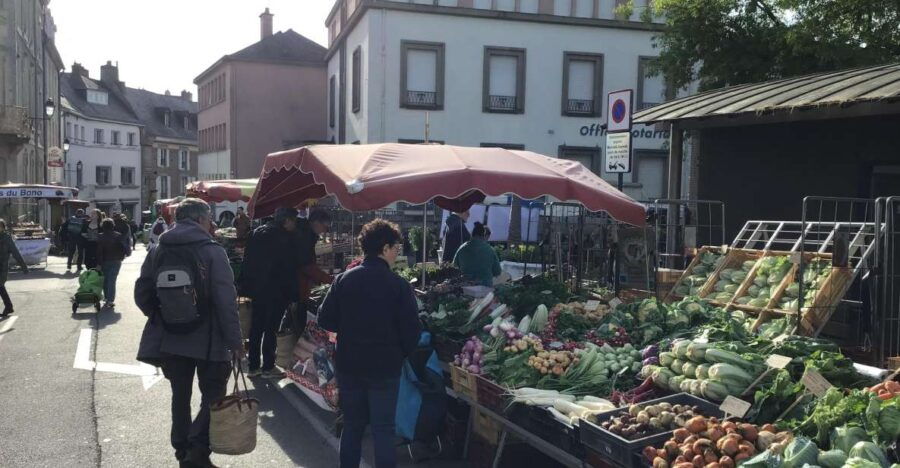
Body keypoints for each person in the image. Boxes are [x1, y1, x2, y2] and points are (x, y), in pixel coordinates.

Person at [135, 198, 243, 468]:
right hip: (209, 338)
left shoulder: (159, 248)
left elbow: (142, 292)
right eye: (209, 219)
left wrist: (163, 315)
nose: (212, 224)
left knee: (179, 394)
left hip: (171, 336)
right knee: (213, 393)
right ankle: (197, 446)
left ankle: (181, 447)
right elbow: (225, 301)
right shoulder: (212, 251)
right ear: (200, 220)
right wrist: (236, 341)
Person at [318, 219, 421, 468]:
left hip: (350, 364)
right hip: (385, 367)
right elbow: (412, 332)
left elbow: (325, 319)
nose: (398, 252)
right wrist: (399, 354)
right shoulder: (398, 286)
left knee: (352, 425)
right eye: (396, 247)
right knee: (383, 429)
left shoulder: (344, 280)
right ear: (384, 248)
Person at [240, 207, 300, 378]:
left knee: (256, 327)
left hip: (257, 289)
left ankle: (253, 366)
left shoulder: (256, 233)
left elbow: (247, 261)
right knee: (271, 327)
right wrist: (293, 294)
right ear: (286, 220)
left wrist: (245, 287)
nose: (294, 225)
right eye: (293, 221)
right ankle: (268, 366)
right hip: (276, 290)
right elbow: (288, 269)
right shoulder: (284, 238)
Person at [293, 209, 333, 325]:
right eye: (325, 226)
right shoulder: (304, 236)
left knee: (292, 323)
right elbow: (306, 266)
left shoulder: (305, 233)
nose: (326, 230)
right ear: (316, 223)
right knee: (296, 324)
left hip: (298, 287)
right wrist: (329, 279)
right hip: (297, 287)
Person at [453, 222, 501, 287]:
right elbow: (497, 271)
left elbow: (454, 266)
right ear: (483, 235)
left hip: (466, 287)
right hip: (485, 287)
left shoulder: (461, 248)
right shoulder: (490, 250)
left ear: (472, 234)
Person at [97, 218, 128, 308]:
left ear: (103, 226)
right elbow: (123, 248)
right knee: (112, 280)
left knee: (105, 280)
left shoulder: (100, 236)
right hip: (116, 260)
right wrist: (122, 257)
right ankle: (110, 300)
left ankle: (107, 298)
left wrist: (99, 263)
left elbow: (99, 251)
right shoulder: (118, 235)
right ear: (113, 225)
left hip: (105, 260)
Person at [0, 219, 27, 316]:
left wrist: (23, 266)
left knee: (0, 286)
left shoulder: (7, 239)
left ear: (3, 228)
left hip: (2, 267)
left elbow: (15, 252)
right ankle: (9, 306)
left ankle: (8, 306)